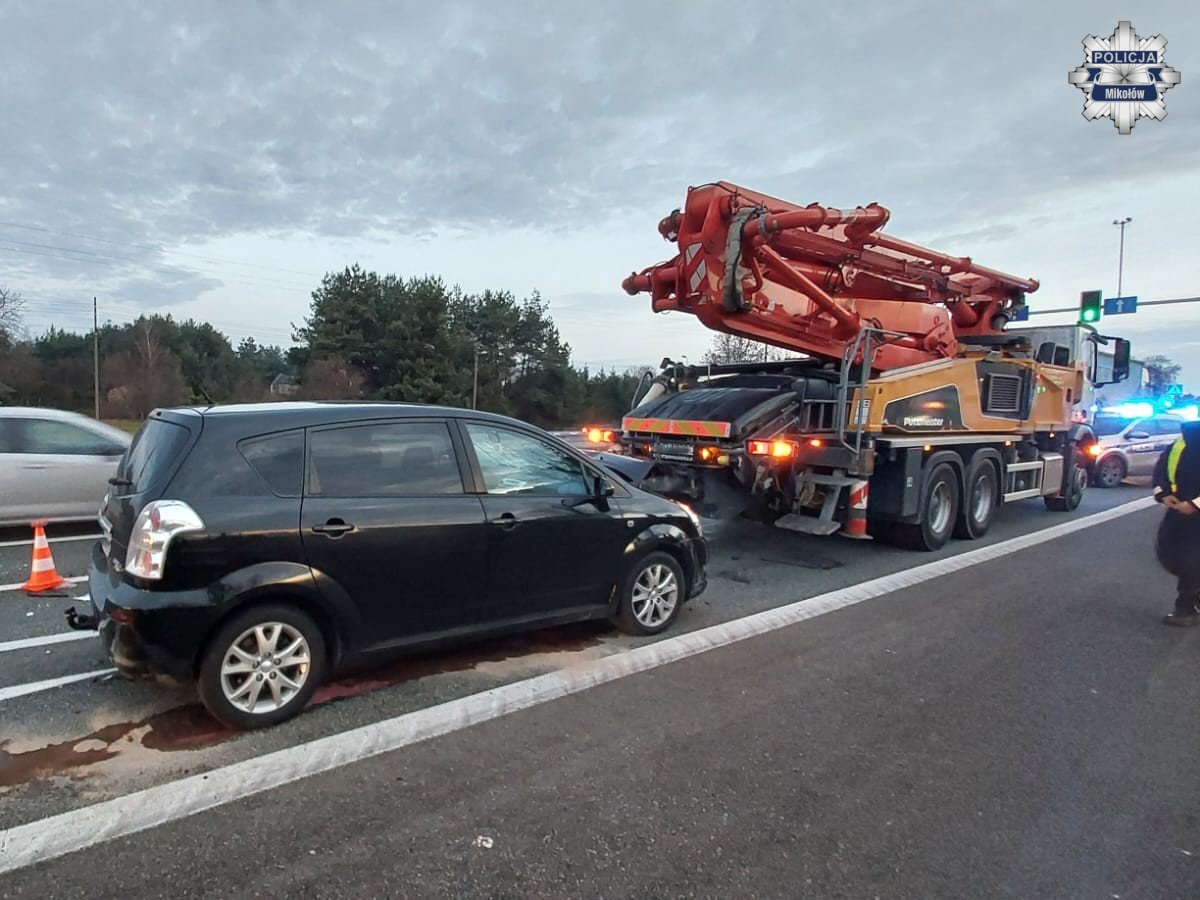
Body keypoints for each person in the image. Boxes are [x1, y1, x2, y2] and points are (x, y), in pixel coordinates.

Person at [1153, 421, 1200, 625]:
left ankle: (1186, 608)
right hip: (1178, 509)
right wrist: (1163, 494)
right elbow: (1162, 468)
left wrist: (1195, 505)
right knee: (1167, 551)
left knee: (1191, 559)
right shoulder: (1182, 440)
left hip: (1192, 510)